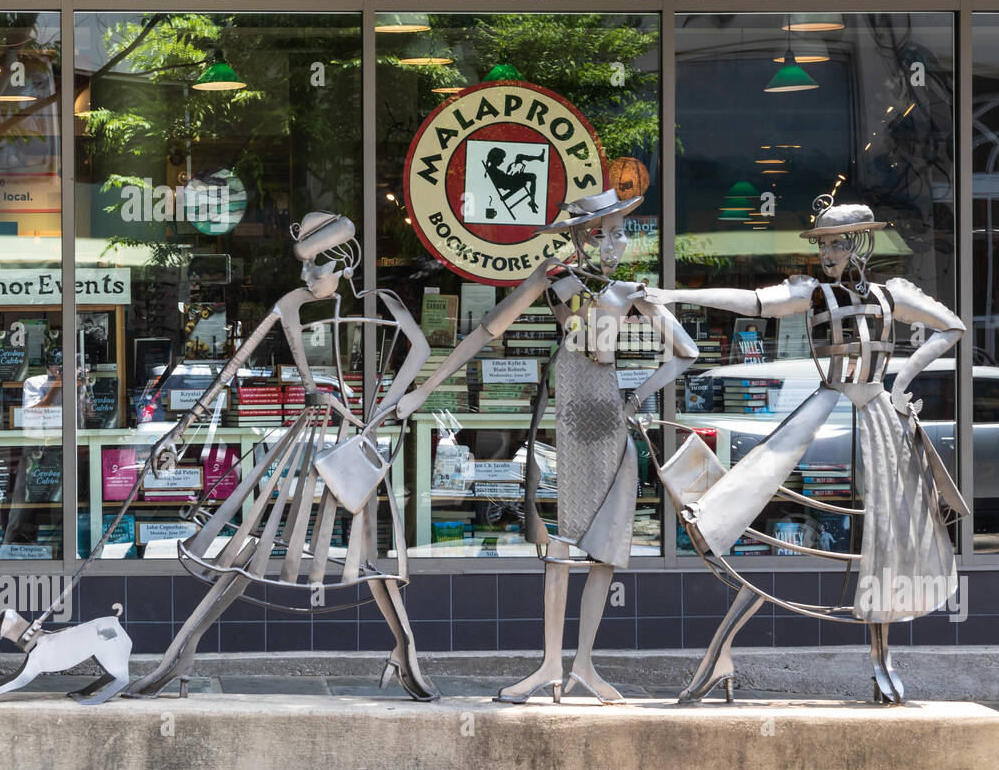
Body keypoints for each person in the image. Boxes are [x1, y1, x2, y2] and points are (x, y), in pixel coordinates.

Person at [646, 198, 968, 703]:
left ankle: (882, 661)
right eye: (822, 246)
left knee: (888, 537)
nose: (828, 254)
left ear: (859, 243)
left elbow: (952, 326)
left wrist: (903, 378)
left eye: (837, 244)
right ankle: (723, 650)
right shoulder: (812, 294)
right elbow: (752, 302)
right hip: (828, 406)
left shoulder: (891, 294)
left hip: (881, 417)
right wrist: (669, 292)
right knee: (743, 493)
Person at [393, 188, 698, 703]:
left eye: (621, 232)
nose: (616, 242)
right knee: (561, 546)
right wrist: (424, 388)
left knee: (604, 551)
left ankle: (582, 666)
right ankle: (550, 667)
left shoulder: (631, 291)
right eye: (604, 232)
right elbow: (488, 331)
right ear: (581, 237)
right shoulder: (556, 280)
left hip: (608, 420)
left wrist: (637, 396)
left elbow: (685, 351)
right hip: (575, 417)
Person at [125, 212, 437, 700]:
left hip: (359, 449)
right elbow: (236, 362)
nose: (306, 277)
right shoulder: (293, 303)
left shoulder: (389, 306)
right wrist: (184, 429)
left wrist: (391, 406)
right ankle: (182, 652)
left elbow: (420, 351)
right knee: (247, 547)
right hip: (309, 441)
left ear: (344, 260)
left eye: (316, 266)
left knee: (369, 557)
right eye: (306, 266)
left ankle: (405, 652)